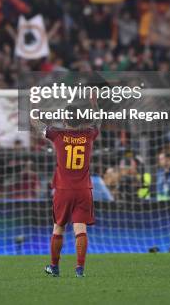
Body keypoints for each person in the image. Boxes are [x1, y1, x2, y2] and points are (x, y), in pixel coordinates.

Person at [32, 96, 101, 278]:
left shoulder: (57, 135)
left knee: (58, 228)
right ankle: (79, 269)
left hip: (63, 190)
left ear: (64, 120)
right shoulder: (89, 134)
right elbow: (99, 121)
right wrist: (94, 104)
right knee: (81, 229)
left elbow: (35, 122)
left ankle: (54, 267)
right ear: (83, 120)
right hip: (84, 190)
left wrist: (34, 103)